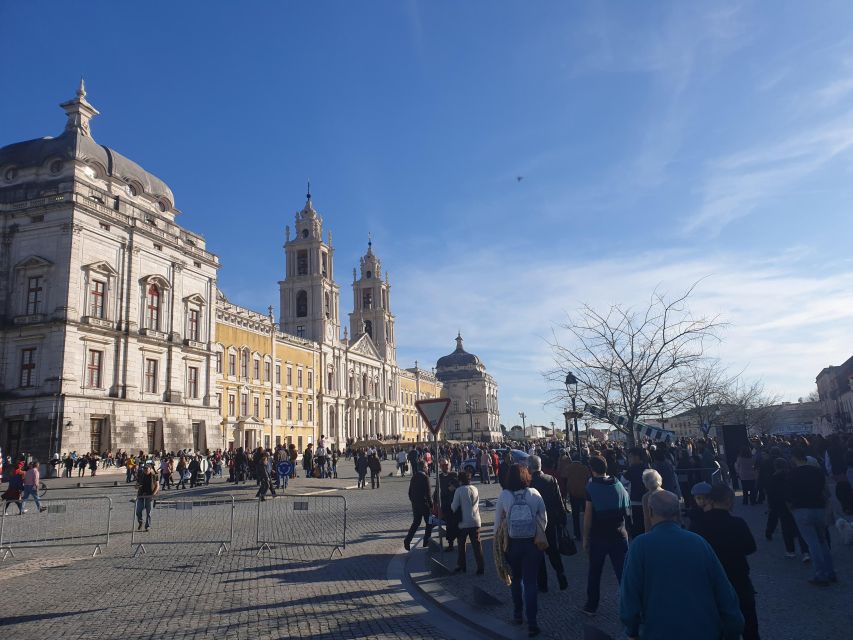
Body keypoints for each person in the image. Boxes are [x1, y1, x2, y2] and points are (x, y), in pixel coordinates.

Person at [620, 490, 744, 640]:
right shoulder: (699, 542)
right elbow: (724, 592)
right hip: (704, 632)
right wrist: (733, 630)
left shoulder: (639, 546)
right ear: (678, 513)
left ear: (650, 511)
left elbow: (629, 598)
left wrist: (632, 630)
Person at [693, 484, 760, 640]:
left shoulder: (698, 524)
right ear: (729, 501)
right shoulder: (738, 523)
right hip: (738, 577)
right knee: (749, 622)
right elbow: (750, 547)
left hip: (710, 581)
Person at [494, 463, 547, 637]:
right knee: (531, 582)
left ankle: (518, 614)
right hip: (532, 544)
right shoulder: (534, 493)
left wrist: (498, 543)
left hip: (512, 544)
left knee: (515, 579)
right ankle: (533, 623)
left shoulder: (504, 495)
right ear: (526, 476)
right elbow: (543, 519)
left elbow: (497, 524)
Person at [582, 455, 630, 617]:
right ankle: (631, 606)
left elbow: (588, 517)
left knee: (595, 572)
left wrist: (585, 538)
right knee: (623, 573)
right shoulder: (618, 483)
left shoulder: (592, 488)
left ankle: (591, 605)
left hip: (599, 536)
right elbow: (627, 508)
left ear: (592, 470)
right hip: (619, 533)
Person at [787, 447, 836, 585]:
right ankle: (830, 571)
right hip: (819, 508)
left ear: (794, 458)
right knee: (822, 541)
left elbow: (789, 493)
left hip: (801, 509)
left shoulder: (792, 474)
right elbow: (824, 490)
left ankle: (820, 574)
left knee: (812, 543)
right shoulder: (817, 471)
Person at [528, 455, 568, 591]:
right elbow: (559, 501)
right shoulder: (551, 479)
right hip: (551, 519)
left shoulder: (528, 482)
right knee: (553, 550)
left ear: (529, 467)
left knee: (538, 552)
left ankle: (543, 584)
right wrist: (563, 518)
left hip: (535, 522)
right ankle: (560, 573)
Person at [451, 471, 484, 574]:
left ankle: (462, 565)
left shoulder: (459, 491)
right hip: (475, 520)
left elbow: (453, 507)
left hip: (464, 522)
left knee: (461, 545)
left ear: (460, 481)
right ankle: (480, 567)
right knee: (477, 546)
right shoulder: (475, 489)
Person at [403, 461, 434, 551]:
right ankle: (426, 541)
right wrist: (431, 506)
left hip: (415, 505)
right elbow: (428, 494)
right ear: (424, 467)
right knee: (429, 523)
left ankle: (407, 540)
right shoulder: (425, 478)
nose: (428, 468)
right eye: (427, 466)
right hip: (425, 505)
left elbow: (409, 492)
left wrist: (413, 501)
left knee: (416, 523)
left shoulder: (414, 477)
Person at [622, 448, 648, 540]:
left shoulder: (632, 469)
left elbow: (623, 481)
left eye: (630, 457)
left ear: (636, 457)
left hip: (635, 501)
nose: (629, 459)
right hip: (648, 501)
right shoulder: (647, 468)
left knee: (636, 527)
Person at [566, 454, 591, 541]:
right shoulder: (584, 468)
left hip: (573, 493)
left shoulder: (569, 467)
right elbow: (588, 478)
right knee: (587, 514)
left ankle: (577, 534)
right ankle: (588, 533)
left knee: (575, 515)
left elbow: (564, 476)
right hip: (584, 493)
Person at [438, 459, 459, 551]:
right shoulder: (439, 477)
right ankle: (450, 544)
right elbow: (439, 490)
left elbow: (456, 486)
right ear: (440, 467)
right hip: (445, 504)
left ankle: (460, 543)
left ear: (449, 465)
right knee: (448, 525)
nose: (445, 467)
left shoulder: (454, 474)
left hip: (454, 503)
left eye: (446, 465)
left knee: (457, 523)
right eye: (443, 466)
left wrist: (450, 488)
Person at [135, 462, 159, 531]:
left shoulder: (155, 475)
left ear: (150, 469)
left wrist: (153, 494)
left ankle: (148, 526)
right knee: (138, 511)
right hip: (141, 495)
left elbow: (157, 486)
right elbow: (136, 485)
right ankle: (140, 522)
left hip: (150, 495)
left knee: (149, 512)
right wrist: (137, 486)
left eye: (146, 469)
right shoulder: (141, 475)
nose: (145, 470)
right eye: (144, 469)